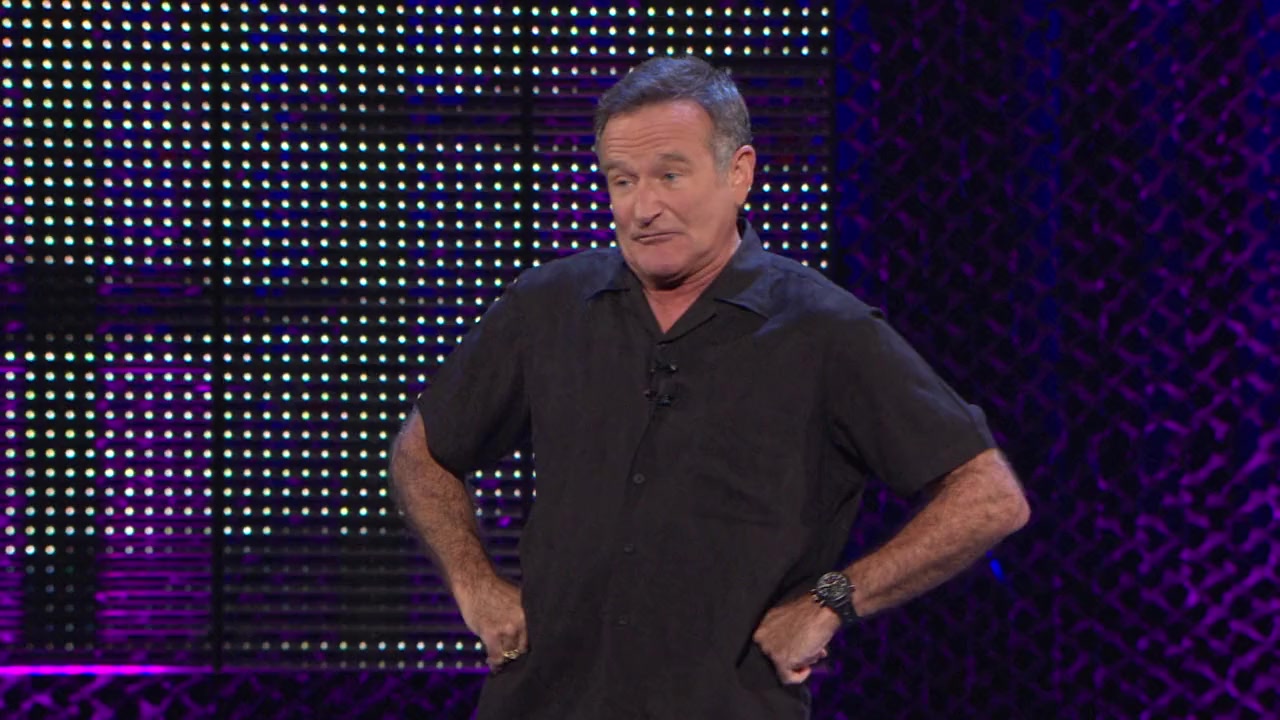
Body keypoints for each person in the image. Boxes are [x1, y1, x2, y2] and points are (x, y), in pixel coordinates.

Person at [389, 56, 1030, 720]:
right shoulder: (547, 305)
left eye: (670, 175)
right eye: (622, 180)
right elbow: (422, 452)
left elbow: (989, 497)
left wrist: (833, 600)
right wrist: (475, 585)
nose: (643, 208)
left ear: (739, 172)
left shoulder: (824, 330)